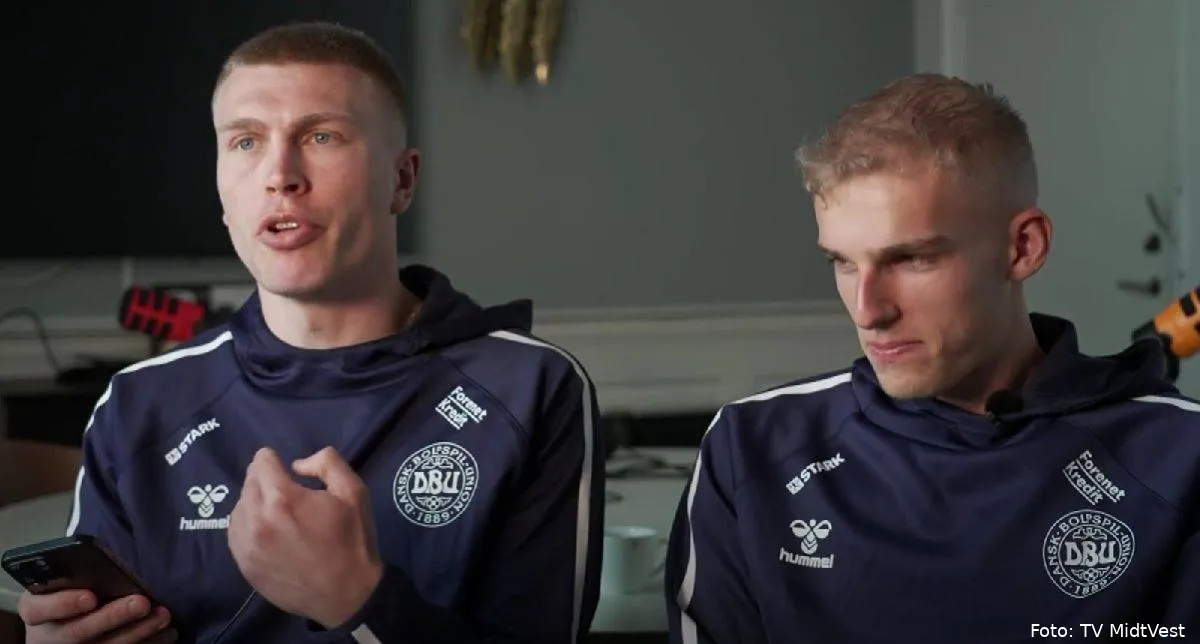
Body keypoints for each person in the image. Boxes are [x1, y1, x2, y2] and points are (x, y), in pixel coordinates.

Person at [17, 21, 605, 644]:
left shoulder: (530, 389)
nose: (281, 174)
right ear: (221, 189)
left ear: (402, 181)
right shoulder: (140, 404)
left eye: (321, 136)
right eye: (246, 141)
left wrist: (359, 601)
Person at [663, 73, 1199, 643]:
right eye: (842, 263)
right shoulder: (752, 451)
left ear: (1023, 247)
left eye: (911, 259)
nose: (868, 311)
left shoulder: (1181, 460)